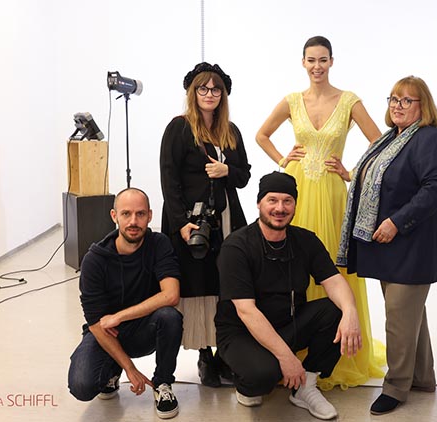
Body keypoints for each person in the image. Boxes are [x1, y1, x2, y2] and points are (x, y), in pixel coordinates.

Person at [255, 35, 384, 390]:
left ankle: (336, 353)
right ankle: (296, 348)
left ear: (332, 61)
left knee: (332, 267)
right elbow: (261, 135)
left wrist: (352, 173)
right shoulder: (292, 101)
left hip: (330, 195)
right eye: (311, 60)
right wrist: (283, 160)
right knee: (295, 266)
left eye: (323, 60)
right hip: (297, 191)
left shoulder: (348, 101)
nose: (317, 66)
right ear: (302, 62)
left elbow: (381, 143)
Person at [337, 76, 437, 415]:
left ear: (424, 107)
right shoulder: (391, 140)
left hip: (412, 244)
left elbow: (434, 189)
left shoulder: (431, 140)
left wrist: (396, 222)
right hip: (390, 246)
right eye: (394, 99)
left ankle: (396, 386)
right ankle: (422, 377)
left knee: (399, 318)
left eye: (407, 101)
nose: (398, 106)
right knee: (409, 315)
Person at [214, 172, 362, 420]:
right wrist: (286, 358)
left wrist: (351, 313)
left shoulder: (306, 240)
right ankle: (239, 369)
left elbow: (334, 281)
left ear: (295, 204)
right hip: (243, 331)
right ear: (259, 203)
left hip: (288, 324)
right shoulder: (236, 247)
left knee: (336, 311)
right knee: (263, 377)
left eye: (287, 201)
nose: (280, 208)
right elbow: (246, 311)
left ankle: (306, 387)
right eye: (272, 200)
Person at [160, 62, 251, 387]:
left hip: (228, 222)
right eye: (203, 88)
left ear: (223, 94)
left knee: (227, 285)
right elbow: (169, 180)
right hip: (193, 223)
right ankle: (205, 355)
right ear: (193, 92)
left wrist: (227, 172)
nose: (209, 94)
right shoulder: (179, 128)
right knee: (199, 284)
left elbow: (243, 175)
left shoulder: (231, 131)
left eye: (215, 89)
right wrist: (181, 223)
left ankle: (227, 353)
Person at [67, 187, 182, 419]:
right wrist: (130, 368)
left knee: (170, 316)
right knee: (82, 385)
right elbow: (96, 324)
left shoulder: (159, 244)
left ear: (150, 216)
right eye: (126, 214)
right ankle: (112, 370)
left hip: (143, 329)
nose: (133, 221)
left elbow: (171, 295)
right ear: (114, 216)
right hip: (107, 332)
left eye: (140, 214)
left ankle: (163, 385)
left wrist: (120, 316)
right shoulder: (94, 260)